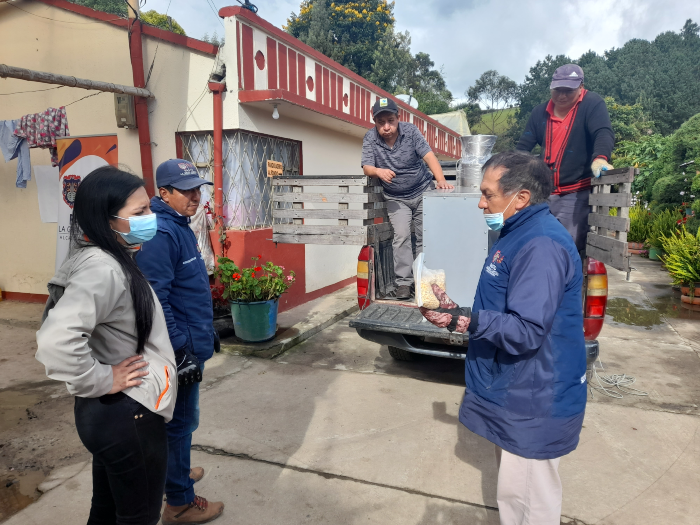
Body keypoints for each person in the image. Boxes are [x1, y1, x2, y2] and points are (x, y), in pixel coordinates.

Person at [420, 151, 587, 525]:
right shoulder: (517, 233)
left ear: (521, 197)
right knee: (516, 498)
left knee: (527, 505)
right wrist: (455, 309)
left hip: (534, 397)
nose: (480, 203)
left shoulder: (540, 245)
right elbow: (504, 304)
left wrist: (464, 322)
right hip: (519, 391)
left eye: (488, 194)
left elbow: (526, 330)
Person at [35, 166, 177, 525]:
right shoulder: (104, 268)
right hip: (128, 414)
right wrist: (102, 378)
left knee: (107, 509)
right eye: (140, 212)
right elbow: (56, 342)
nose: (151, 218)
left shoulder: (105, 257)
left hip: (109, 415)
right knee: (139, 516)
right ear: (106, 219)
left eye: (150, 208)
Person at [135, 159, 224, 525]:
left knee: (184, 420)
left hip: (192, 340)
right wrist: (181, 349)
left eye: (197, 188)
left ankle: (179, 472)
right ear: (164, 192)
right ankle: (178, 503)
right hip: (179, 349)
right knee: (180, 423)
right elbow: (156, 297)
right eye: (185, 190)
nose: (194, 195)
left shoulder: (180, 224)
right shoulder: (159, 232)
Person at [361, 97, 454, 300]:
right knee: (401, 236)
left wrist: (441, 181)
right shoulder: (370, 138)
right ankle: (404, 283)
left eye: (390, 121)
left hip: (422, 191)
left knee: (424, 237)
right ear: (374, 122)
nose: (386, 127)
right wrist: (378, 171)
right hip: (396, 197)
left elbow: (429, 156)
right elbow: (367, 167)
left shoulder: (411, 131)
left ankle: (424, 280)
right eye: (381, 122)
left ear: (398, 118)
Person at [516, 64, 614, 255]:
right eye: (557, 90)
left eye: (568, 91)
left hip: (575, 191)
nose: (561, 96)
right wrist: (510, 168)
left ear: (581, 87)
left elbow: (602, 133)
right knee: (538, 239)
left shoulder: (592, 104)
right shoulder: (539, 112)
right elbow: (524, 146)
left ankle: (568, 281)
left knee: (569, 244)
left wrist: (600, 158)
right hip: (544, 191)